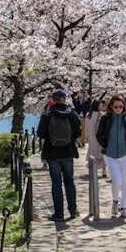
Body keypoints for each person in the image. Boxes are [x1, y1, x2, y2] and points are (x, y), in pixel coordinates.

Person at [37, 89, 82, 222]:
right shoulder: (72, 114)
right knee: (69, 181)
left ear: (53, 99)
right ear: (64, 99)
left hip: (52, 153)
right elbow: (78, 132)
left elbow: (40, 134)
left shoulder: (47, 114)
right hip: (68, 152)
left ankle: (59, 213)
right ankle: (73, 210)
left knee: (56, 183)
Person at [96, 94, 126, 218]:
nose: (118, 109)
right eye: (115, 107)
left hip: (124, 154)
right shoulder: (106, 118)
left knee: (124, 181)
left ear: (124, 106)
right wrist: (105, 145)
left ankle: (123, 207)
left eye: (120, 106)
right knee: (117, 179)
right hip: (110, 154)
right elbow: (99, 134)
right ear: (111, 107)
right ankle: (115, 201)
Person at [85, 98, 106, 178]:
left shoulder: (88, 115)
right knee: (101, 153)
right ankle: (103, 170)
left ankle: (92, 169)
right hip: (100, 137)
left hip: (91, 137)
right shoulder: (102, 115)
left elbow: (86, 128)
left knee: (92, 153)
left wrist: (87, 137)